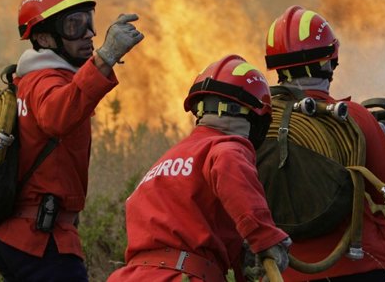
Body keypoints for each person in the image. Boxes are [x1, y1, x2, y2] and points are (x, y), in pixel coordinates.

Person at [0, 0, 144, 281]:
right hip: (39, 241)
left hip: (26, 237)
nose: (88, 34)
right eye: (74, 25)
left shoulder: (34, 79)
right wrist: (105, 57)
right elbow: (59, 115)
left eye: (89, 21)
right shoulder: (44, 81)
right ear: (44, 38)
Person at [261, 5, 385, 282]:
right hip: (360, 267)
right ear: (330, 61)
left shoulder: (256, 125)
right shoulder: (354, 118)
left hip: (284, 273)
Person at [107, 55, 292, 282]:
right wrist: (266, 239)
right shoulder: (226, 147)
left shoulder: (167, 161)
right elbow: (231, 172)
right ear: (256, 119)